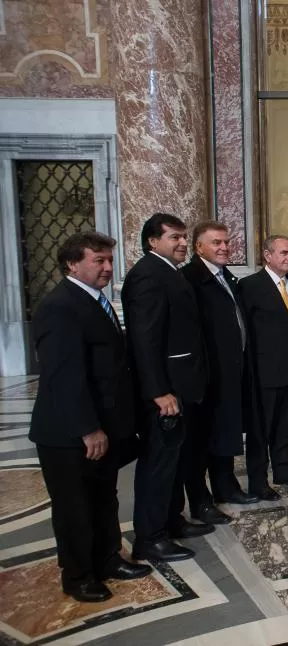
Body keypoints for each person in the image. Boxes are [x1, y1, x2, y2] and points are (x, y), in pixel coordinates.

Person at [30, 232, 152, 603]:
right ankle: (78, 575)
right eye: (98, 260)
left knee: (104, 497)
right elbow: (65, 377)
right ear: (71, 263)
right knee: (74, 507)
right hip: (70, 434)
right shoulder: (60, 306)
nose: (108, 267)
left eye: (109, 260)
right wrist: (88, 429)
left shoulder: (95, 301)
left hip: (105, 424)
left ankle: (108, 558)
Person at [123, 213, 210, 563]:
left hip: (182, 386)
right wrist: (159, 391)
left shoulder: (167, 272)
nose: (181, 243)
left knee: (175, 459)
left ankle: (172, 520)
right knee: (159, 464)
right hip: (166, 392)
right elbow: (145, 340)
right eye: (174, 237)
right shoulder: (147, 276)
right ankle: (150, 536)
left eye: (183, 237)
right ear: (152, 241)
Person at [178, 222, 258, 528]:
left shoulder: (226, 276)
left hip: (231, 371)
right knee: (200, 441)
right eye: (216, 243)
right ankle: (201, 501)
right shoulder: (190, 279)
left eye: (226, 242)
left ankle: (226, 486)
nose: (224, 247)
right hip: (206, 376)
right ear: (199, 247)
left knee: (225, 432)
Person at [238, 235, 288, 499]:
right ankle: (258, 481)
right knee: (261, 430)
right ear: (267, 256)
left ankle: (283, 470)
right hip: (264, 372)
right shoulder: (250, 286)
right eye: (283, 253)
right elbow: (245, 332)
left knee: (285, 425)